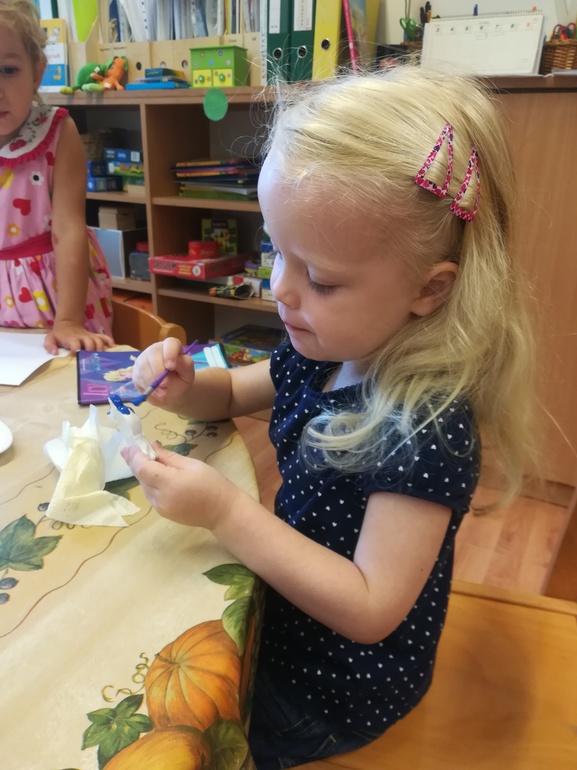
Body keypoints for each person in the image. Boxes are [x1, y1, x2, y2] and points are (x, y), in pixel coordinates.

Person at [121, 67, 538, 768]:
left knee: (180, 732)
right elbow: (229, 395)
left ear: (430, 290)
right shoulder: (326, 350)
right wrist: (183, 384)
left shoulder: (424, 427)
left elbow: (371, 607)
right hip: (286, 617)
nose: (280, 289)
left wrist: (225, 511)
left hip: (333, 690)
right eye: (276, 250)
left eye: (320, 278)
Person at [0, 0, 114, 353]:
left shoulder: (58, 132)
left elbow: (68, 230)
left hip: (57, 303)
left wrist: (68, 321)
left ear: (37, 71)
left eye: (8, 70)